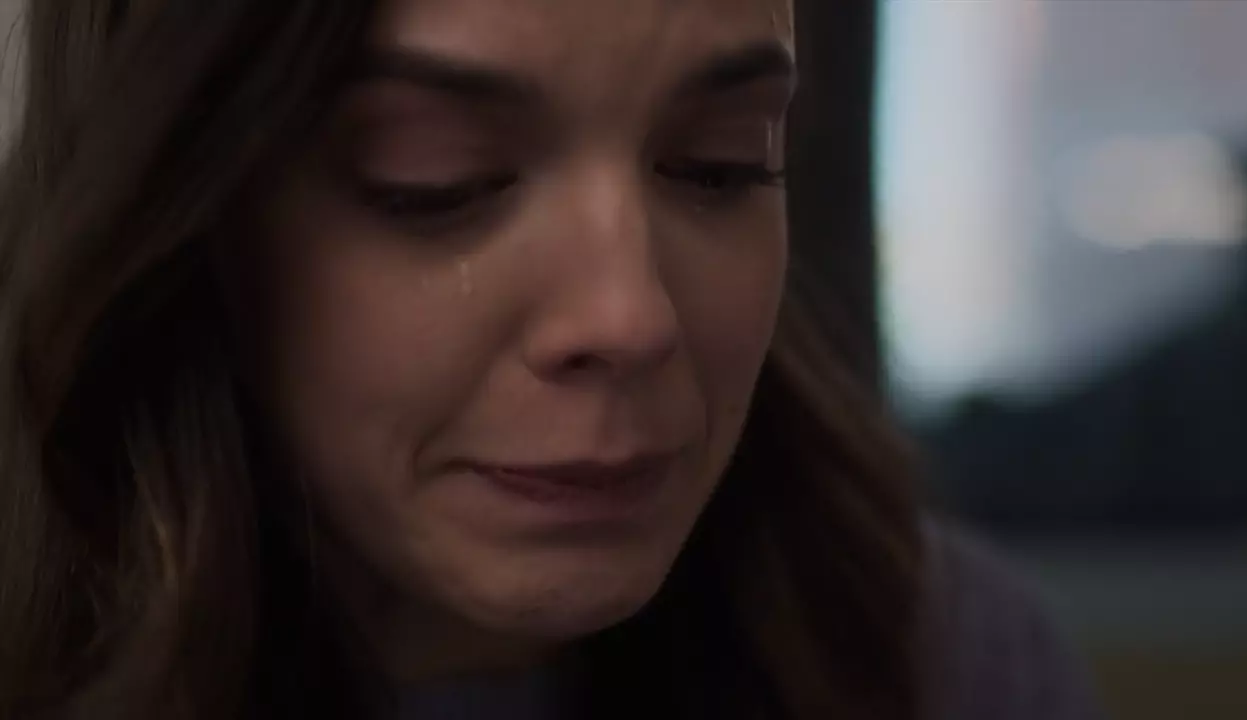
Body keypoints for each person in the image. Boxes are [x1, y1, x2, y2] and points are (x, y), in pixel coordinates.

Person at [0, 1, 1102, 719]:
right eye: (437, 178)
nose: (630, 319)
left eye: (720, 164)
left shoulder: (935, 657)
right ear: (182, 213)